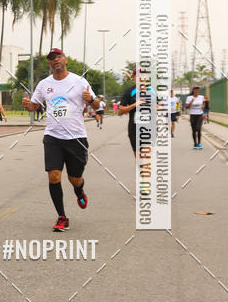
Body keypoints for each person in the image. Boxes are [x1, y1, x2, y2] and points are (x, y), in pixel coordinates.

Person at [21, 48, 99, 232]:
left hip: (76, 137)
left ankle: (79, 191)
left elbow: (96, 105)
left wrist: (91, 99)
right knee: (54, 176)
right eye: (52, 59)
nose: (55, 60)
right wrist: (28, 105)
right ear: (49, 63)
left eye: (58, 57)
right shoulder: (44, 84)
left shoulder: (79, 81)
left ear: (65, 59)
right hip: (53, 137)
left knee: (75, 179)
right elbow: (34, 106)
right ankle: (62, 217)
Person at [118, 70, 142, 156]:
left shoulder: (152, 91)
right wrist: (135, 104)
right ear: (134, 78)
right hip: (134, 129)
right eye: (138, 76)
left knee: (148, 159)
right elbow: (120, 111)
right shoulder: (129, 91)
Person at [185, 85, 204, 149]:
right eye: (195, 90)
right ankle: (195, 144)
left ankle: (199, 143)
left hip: (200, 114)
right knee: (193, 130)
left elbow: (204, 105)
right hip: (193, 115)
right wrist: (191, 102)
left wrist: (203, 106)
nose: (197, 91)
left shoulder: (201, 97)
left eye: (198, 90)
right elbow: (186, 107)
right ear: (193, 91)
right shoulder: (189, 98)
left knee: (198, 129)